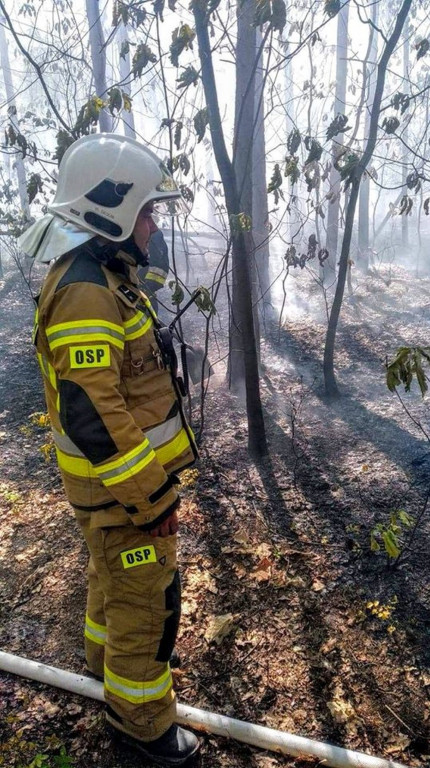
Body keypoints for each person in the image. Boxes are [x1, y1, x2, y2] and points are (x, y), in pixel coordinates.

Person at [19, 133, 200, 766]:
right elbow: (94, 414)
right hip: (125, 496)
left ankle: (102, 670)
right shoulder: (87, 289)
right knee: (146, 604)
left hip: (111, 495)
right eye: (148, 210)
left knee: (112, 586)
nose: (154, 225)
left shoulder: (102, 278)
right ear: (111, 210)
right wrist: (152, 499)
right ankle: (141, 726)